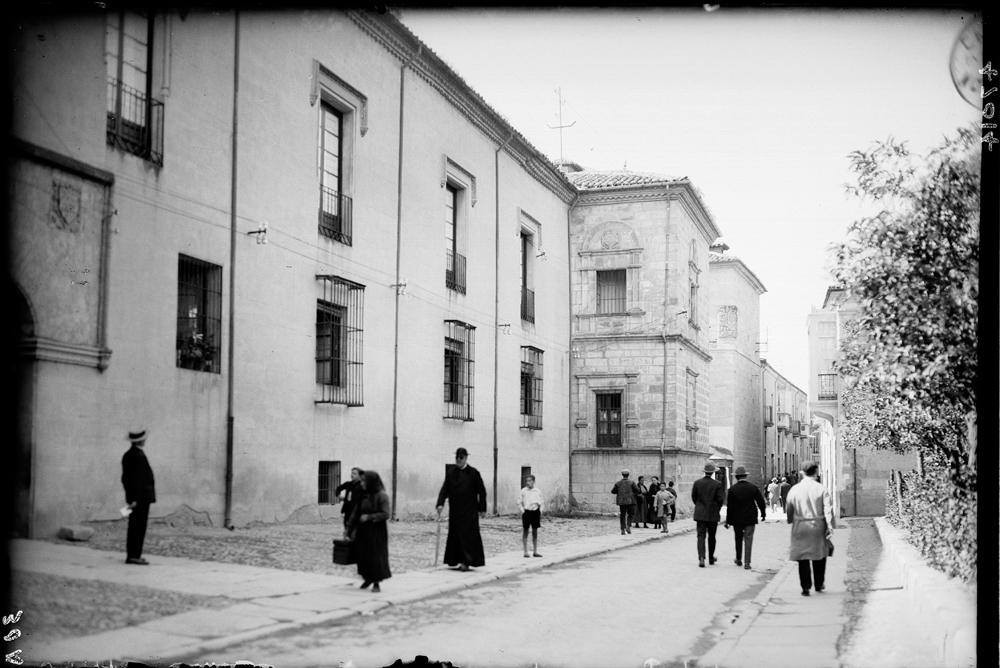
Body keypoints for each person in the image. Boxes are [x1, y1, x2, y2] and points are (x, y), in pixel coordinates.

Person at [786, 461, 834, 596]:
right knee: (819, 555)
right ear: (816, 472)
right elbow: (828, 509)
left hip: (800, 525)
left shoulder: (794, 489)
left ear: (802, 473)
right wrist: (829, 526)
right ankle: (819, 584)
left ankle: (805, 587)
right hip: (818, 525)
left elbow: (789, 509)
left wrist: (791, 520)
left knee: (803, 557)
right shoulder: (821, 489)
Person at [436, 447, 488, 571]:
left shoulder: (473, 473)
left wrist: (482, 508)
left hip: (469, 511)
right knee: (455, 535)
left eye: (461, 458)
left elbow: (482, 491)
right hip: (455, 510)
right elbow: (445, 489)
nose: (458, 460)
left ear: (465, 458)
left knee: (468, 536)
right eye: (457, 458)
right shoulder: (451, 472)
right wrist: (440, 503)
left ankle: (467, 561)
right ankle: (455, 560)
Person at [348, 470, 391, 592]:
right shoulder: (364, 495)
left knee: (375, 556)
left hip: (377, 531)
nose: (362, 483)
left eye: (364, 481)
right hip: (363, 530)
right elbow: (356, 512)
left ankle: (376, 582)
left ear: (371, 482)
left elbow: (386, 513)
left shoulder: (382, 495)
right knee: (362, 556)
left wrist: (370, 517)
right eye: (361, 481)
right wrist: (349, 529)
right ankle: (367, 578)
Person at [121, 429, 156, 565]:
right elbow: (134, 480)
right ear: (140, 440)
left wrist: (131, 498)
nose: (145, 440)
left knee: (135, 525)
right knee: (138, 526)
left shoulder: (129, 454)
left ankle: (133, 554)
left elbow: (126, 479)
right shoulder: (137, 456)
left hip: (136, 498)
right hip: (139, 499)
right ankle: (134, 556)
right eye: (144, 439)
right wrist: (134, 499)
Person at [724, 466, 766, 570]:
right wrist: (763, 513)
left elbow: (730, 507)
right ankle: (747, 562)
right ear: (745, 476)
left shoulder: (732, 489)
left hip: (737, 519)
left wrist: (728, 521)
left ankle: (738, 559)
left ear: (736, 477)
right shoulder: (753, 487)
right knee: (748, 540)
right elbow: (760, 501)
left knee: (738, 539)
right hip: (750, 518)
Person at [691, 462, 725, 567]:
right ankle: (711, 557)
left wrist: (699, 506)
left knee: (701, 536)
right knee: (712, 536)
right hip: (712, 514)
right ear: (713, 472)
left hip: (700, 514)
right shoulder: (717, 484)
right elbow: (720, 500)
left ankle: (701, 557)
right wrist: (717, 509)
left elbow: (694, 497)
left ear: (705, 472)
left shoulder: (697, 483)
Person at [519, 474, 544, 557]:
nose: (528, 482)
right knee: (525, 531)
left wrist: (540, 511)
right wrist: (523, 511)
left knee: (535, 531)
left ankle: (535, 551)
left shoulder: (537, 491)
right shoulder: (523, 491)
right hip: (527, 512)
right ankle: (525, 552)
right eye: (526, 481)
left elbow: (542, 502)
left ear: (533, 481)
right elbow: (519, 502)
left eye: (529, 481)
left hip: (535, 512)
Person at [335, 467, 364, 536]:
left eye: (354, 473)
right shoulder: (348, 484)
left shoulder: (362, 486)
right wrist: (339, 496)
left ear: (359, 476)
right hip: (347, 509)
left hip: (357, 510)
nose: (352, 475)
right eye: (351, 473)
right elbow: (338, 488)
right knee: (346, 525)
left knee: (355, 528)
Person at [611, 469, 640, 535]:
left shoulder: (618, 483)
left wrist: (619, 492)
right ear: (628, 475)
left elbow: (613, 491)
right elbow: (637, 490)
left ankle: (622, 529)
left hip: (622, 501)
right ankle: (628, 526)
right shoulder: (632, 482)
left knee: (622, 515)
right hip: (631, 501)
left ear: (622, 475)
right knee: (630, 514)